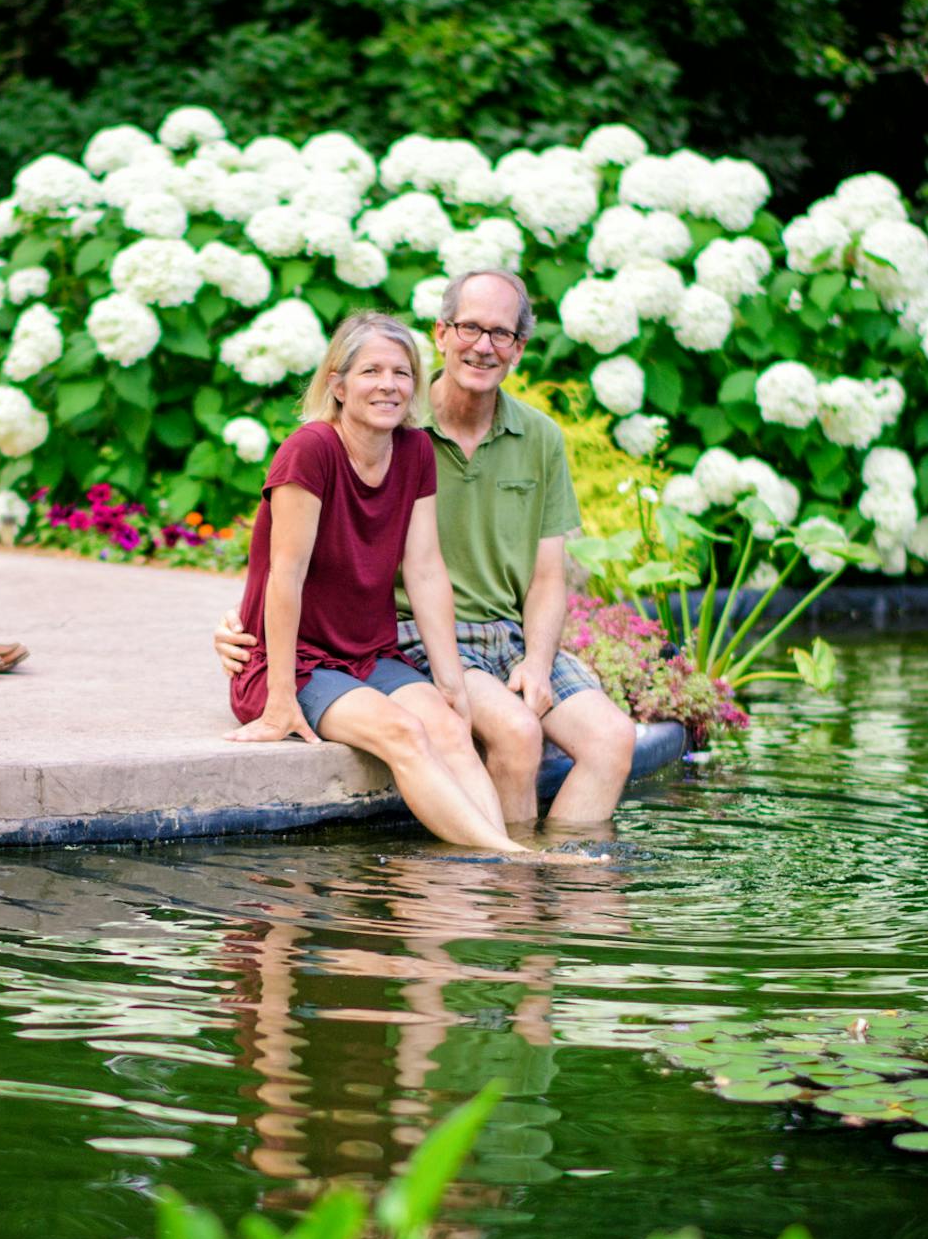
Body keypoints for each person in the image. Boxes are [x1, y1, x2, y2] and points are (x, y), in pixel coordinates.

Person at [220, 270, 637, 833]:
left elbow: (541, 578)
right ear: (441, 332)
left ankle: (551, 886)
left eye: (501, 334)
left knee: (613, 738)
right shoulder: (383, 431)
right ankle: (510, 884)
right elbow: (289, 564)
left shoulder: (526, 438)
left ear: (519, 347)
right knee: (514, 733)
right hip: (411, 634)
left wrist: (536, 664)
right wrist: (248, 641)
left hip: (496, 638)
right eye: (470, 327)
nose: (483, 346)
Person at [226, 310, 527, 855]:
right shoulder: (310, 451)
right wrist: (279, 698)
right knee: (404, 733)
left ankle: (499, 856)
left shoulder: (413, 452)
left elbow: (426, 568)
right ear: (337, 385)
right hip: (297, 662)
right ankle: (510, 859)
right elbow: (284, 577)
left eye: (402, 372)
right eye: (371, 372)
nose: (388, 385)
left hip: (370, 655)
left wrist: (451, 682)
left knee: (452, 729)